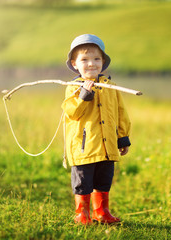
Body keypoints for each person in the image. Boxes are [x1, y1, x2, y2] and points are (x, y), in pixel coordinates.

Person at [61, 34, 131, 225]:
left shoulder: (110, 86)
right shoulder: (73, 87)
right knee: (83, 182)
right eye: (85, 60)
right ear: (75, 64)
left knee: (103, 179)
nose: (91, 64)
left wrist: (122, 138)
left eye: (96, 59)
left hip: (107, 146)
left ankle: (102, 211)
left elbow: (120, 112)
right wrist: (84, 94)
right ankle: (82, 214)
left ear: (103, 62)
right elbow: (72, 112)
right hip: (84, 147)